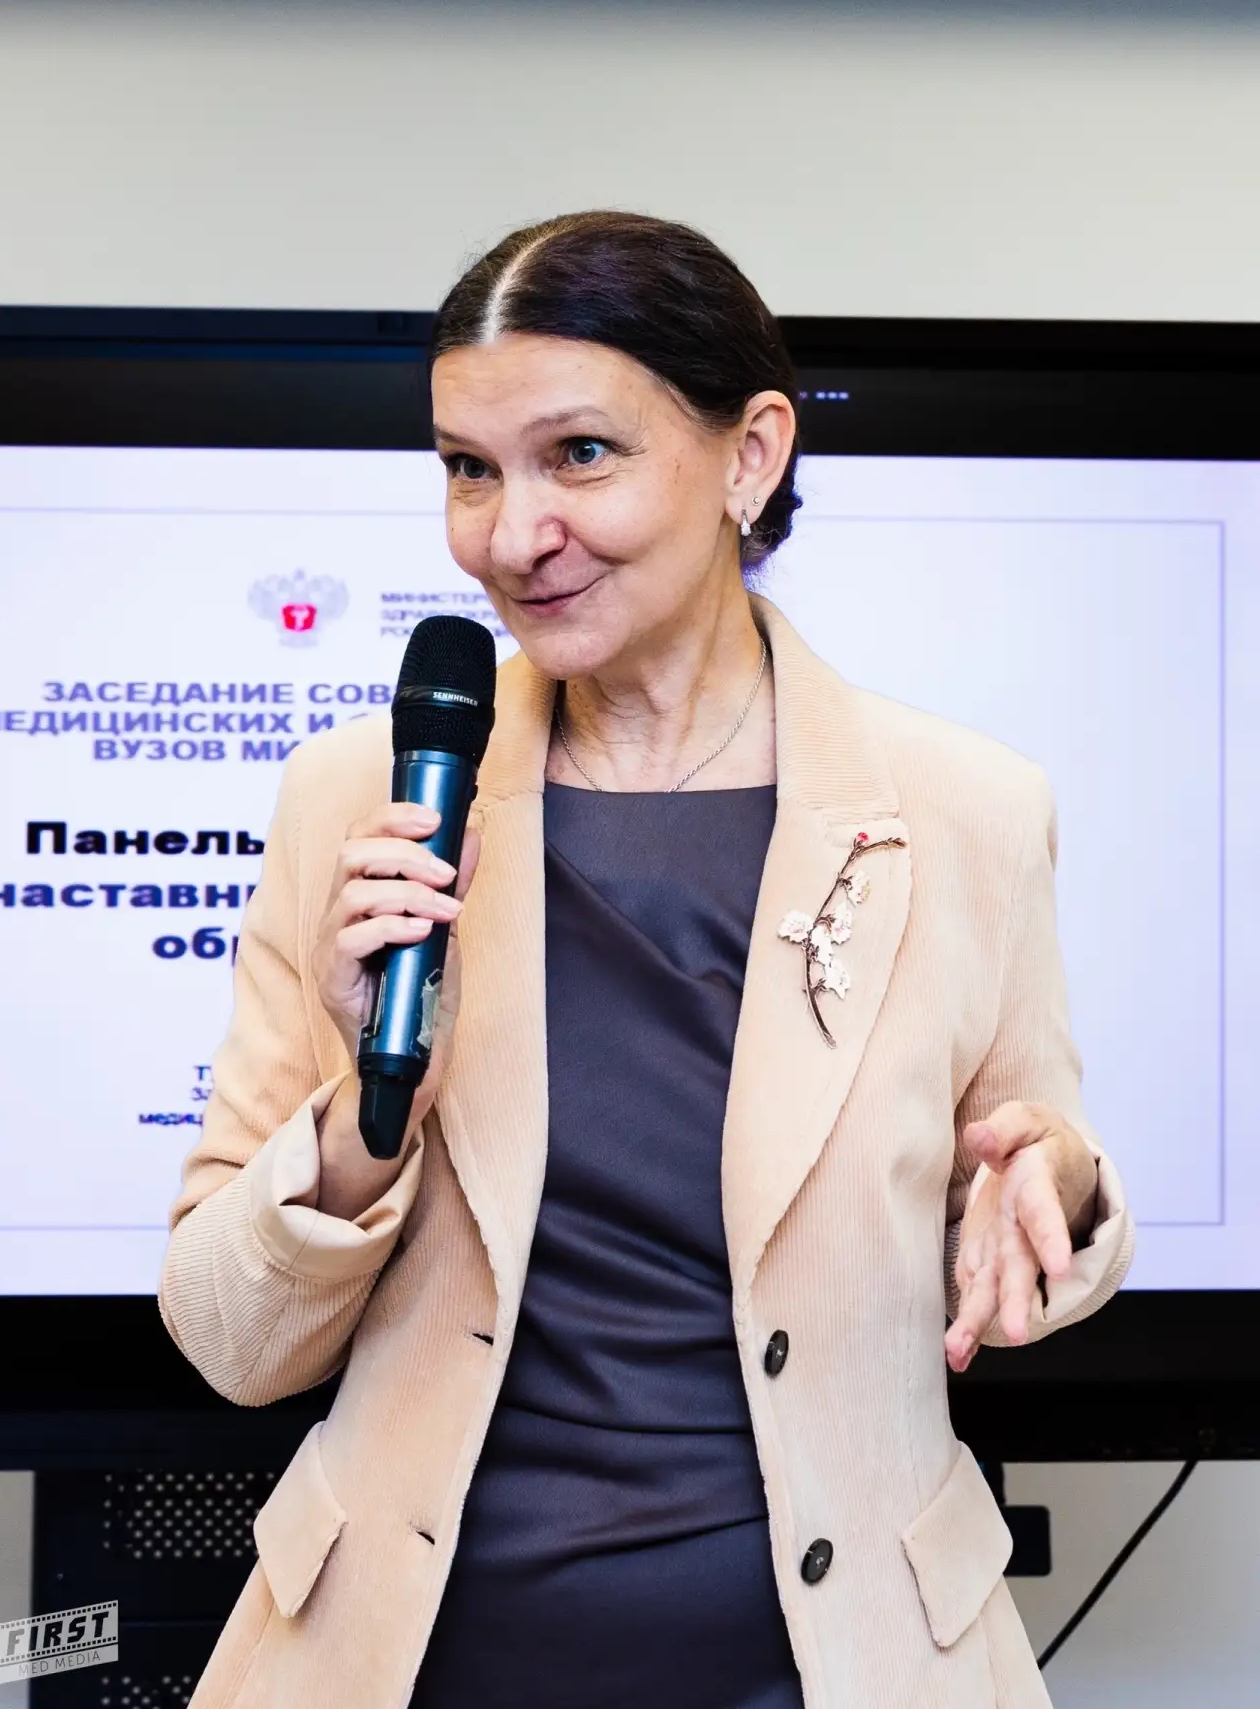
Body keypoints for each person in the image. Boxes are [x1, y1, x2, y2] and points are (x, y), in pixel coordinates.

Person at [162, 211, 1133, 1709]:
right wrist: (367, 1106)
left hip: (845, 1664)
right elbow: (229, 1340)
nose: (511, 534)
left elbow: (1029, 1180)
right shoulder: (361, 800)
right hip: (410, 1664)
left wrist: (1045, 1190)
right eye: (468, 469)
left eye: (580, 456)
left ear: (752, 454)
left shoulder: (966, 813)